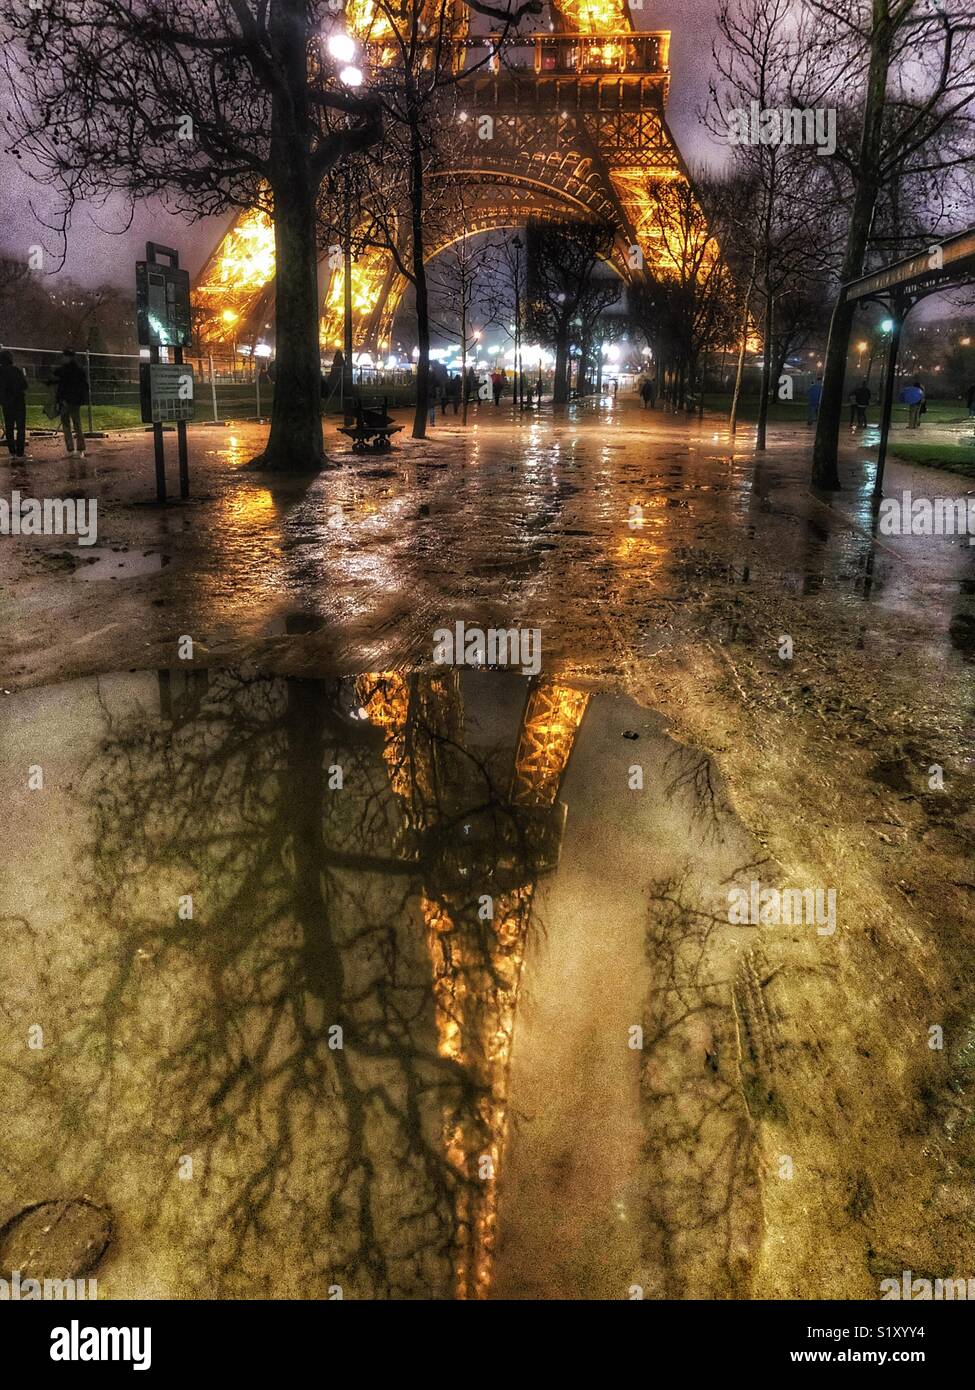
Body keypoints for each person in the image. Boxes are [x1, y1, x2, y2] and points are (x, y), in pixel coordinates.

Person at [51, 347, 89, 457]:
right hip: (73, 400)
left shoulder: (65, 370)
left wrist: (60, 398)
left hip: (67, 399)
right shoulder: (78, 369)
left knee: (67, 424)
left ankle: (71, 449)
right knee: (76, 423)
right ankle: (80, 448)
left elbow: (61, 384)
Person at [0, 349, 28, 457]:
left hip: (7, 403)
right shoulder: (16, 370)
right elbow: (24, 385)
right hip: (19, 401)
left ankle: (12, 451)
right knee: (20, 427)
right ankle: (20, 451)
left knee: (9, 427)